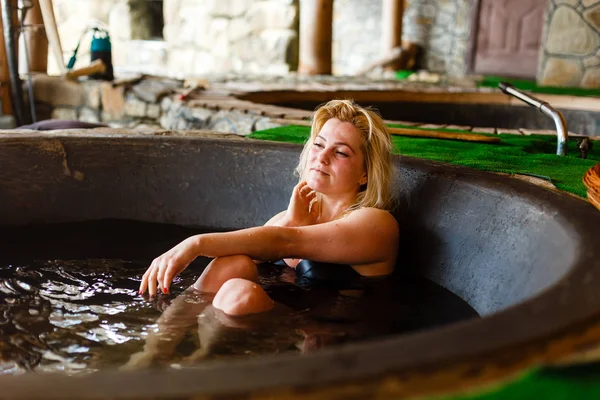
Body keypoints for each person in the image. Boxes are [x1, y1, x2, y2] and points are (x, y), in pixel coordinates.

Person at [138, 99, 399, 317]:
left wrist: (194, 244)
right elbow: (273, 242)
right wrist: (291, 221)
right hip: (270, 330)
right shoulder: (287, 219)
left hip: (332, 340)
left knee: (244, 295)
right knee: (234, 264)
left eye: (340, 152)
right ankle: (160, 349)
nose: (322, 156)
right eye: (318, 145)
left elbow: (284, 241)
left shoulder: (376, 223)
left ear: (365, 173)